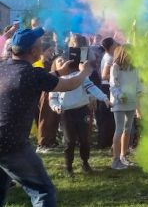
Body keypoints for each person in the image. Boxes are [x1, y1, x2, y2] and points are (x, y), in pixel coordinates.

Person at [0, 28, 93, 206]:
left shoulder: (4, 68)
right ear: (33, 51)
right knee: (43, 191)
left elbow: (38, 80)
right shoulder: (31, 73)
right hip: (11, 143)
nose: (43, 48)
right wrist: (84, 72)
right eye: (40, 45)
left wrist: (59, 72)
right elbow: (69, 85)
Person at [49, 56, 111, 177]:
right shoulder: (55, 80)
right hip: (66, 113)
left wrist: (104, 98)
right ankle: (68, 166)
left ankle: (85, 162)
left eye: (63, 60)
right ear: (56, 67)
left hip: (83, 111)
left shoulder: (80, 76)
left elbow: (92, 88)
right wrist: (56, 107)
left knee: (85, 139)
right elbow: (53, 99)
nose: (62, 62)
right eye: (59, 61)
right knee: (69, 141)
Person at [110, 45, 142, 169]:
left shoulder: (135, 67)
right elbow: (113, 85)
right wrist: (119, 96)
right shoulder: (115, 67)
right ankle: (115, 160)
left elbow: (138, 83)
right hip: (119, 102)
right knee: (119, 129)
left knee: (128, 129)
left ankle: (124, 156)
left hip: (131, 101)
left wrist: (139, 94)